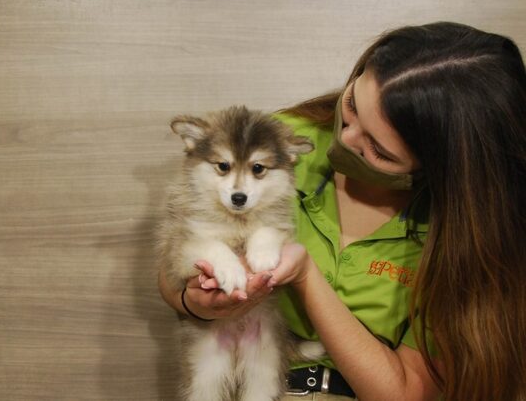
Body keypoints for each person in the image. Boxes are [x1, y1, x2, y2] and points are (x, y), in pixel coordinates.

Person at [158, 22, 526, 401]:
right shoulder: (280, 142)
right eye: (351, 108)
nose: (346, 140)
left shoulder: (466, 233)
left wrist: (305, 276)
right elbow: (176, 265)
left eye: (379, 151)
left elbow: (404, 393)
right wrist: (197, 304)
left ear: (442, 169)